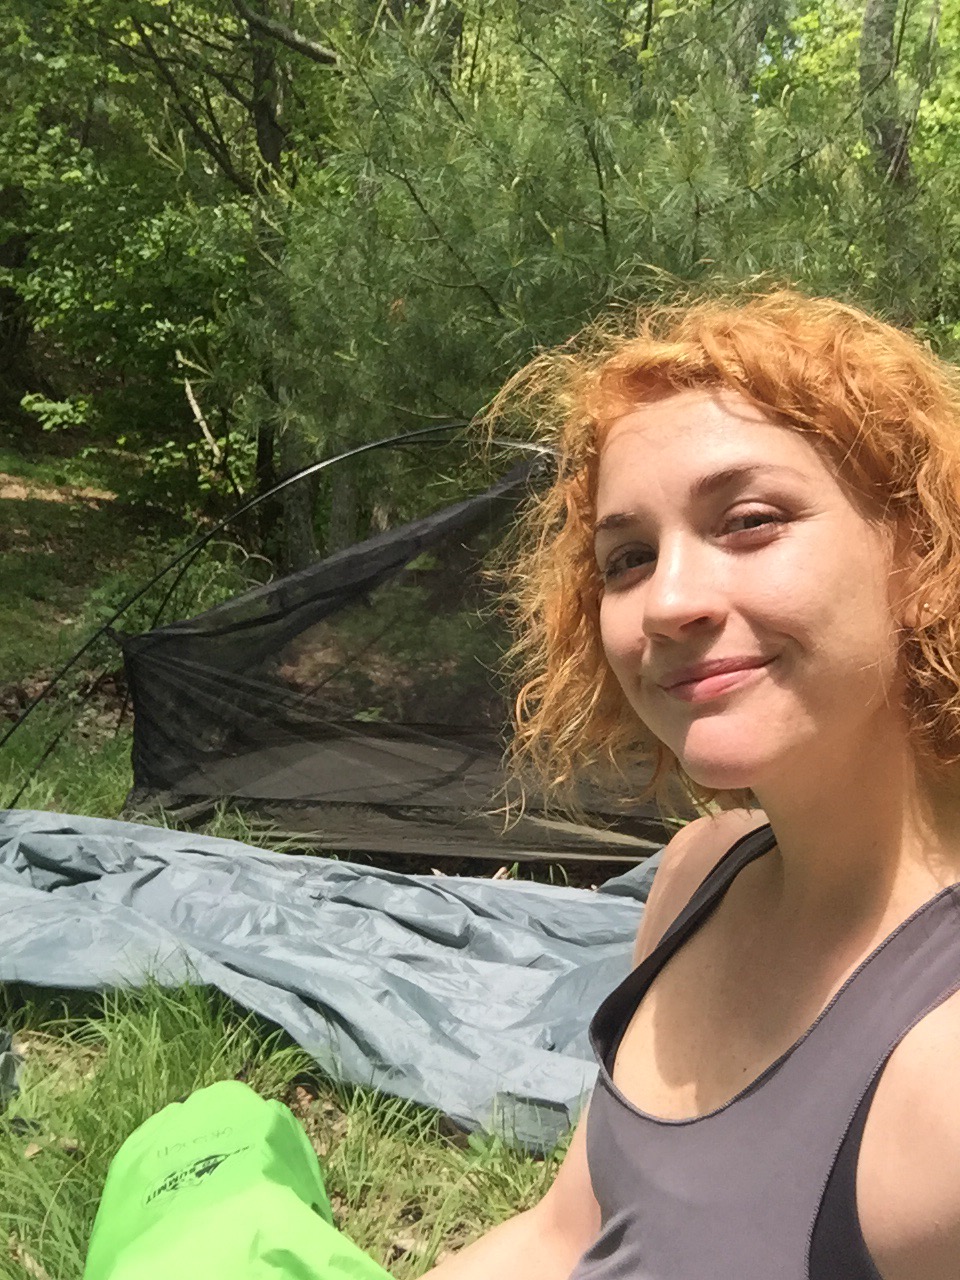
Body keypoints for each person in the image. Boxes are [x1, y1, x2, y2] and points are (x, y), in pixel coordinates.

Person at [421, 291, 960, 1280]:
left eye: (749, 522)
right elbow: (566, 1233)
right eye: (629, 558)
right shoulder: (697, 875)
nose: (666, 603)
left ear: (920, 552)